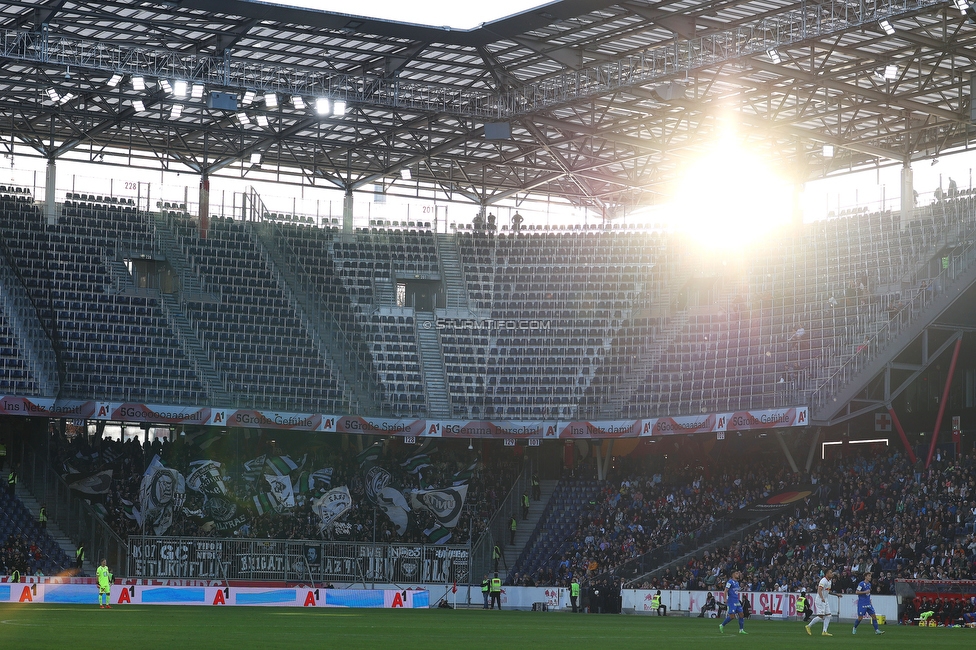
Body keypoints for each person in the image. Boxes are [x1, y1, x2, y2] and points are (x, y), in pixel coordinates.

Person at [806, 568, 835, 636]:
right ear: (827, 574)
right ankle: (808, 626)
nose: (832, 574)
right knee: (820, 616)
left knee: (828, 615)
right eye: (830, 572)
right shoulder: (823, 581)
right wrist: (822, 598)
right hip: (820, 600)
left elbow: (828, 591)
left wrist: (836, 595)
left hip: (825, 599)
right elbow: (819, 590)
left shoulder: (829, 581)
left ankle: (824, 631)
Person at [719, 570, 747, 634]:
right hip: (731, 601)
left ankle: (741, 630)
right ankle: (722, 625)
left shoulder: (737, 582)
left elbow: (735, 590)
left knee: (741, 614)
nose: (738, 574)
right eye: (736, 573)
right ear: (733, 575)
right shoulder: (730, 582)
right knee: (732, 617)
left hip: (736, 600)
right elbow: (725, 590)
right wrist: (725, 599)